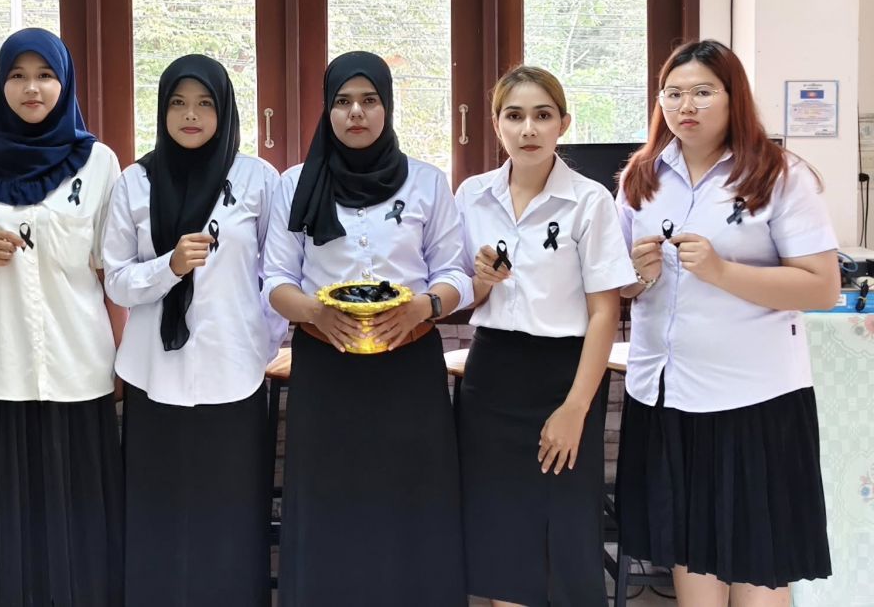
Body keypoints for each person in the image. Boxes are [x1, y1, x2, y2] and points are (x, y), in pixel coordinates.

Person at [615, 39, 838, 604]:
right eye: (673, 93)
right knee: (690, 552)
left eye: (702, 92)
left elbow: (822, 286)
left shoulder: (779, 174)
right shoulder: (641, 176)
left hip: (753, 399)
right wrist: (638, 276)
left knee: (759, 562)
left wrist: (721, 271)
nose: (685, 105)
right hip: (666, 394)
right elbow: (620, 285)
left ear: (733, 96)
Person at [263, 51, 471, 607]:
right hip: (327, 364)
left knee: (413, 498)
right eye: (343, 101)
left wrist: (424, 307)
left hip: (408, 365)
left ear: (388, 106)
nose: (356, 112)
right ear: (327, 110)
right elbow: (275, 279)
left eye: (369, 100)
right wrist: (314, 313)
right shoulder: (295, 184)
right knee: (330, 500)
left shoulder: (427, 182)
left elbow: (457, 274)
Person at [0, 28, 124, 607]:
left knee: (78, 517)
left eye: (44, 75)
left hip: (76, 364)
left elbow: (113, 269)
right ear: (1, 85)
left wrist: (124, 355)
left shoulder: (99, 162)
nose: (31, 88)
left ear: (64, 82)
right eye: (17, 76)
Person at [103, 54, 284, 607]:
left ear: (224, 110)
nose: (190, 115)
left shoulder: (257, 179)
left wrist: (257, 345)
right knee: (156, 518)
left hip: (234, 378)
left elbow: (277, 275)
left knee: (230, 522)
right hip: (153, 377)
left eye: (205, 103)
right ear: (162, 110)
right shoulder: (135, 182)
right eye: (178, 103)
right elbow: (116, 280)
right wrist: (170, 266)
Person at [455, 66, 634, 606]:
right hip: (491, 376)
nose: (528, 128)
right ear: (497, 125)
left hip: (563, 375)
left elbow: (605, 312)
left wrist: (576, 408)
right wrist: (480, 281)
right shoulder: (472, 195)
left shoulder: (589, 200)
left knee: (562, 536)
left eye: (542, 115)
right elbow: (467, 297)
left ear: (563, 124)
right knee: (499, 533)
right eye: (514, 116)